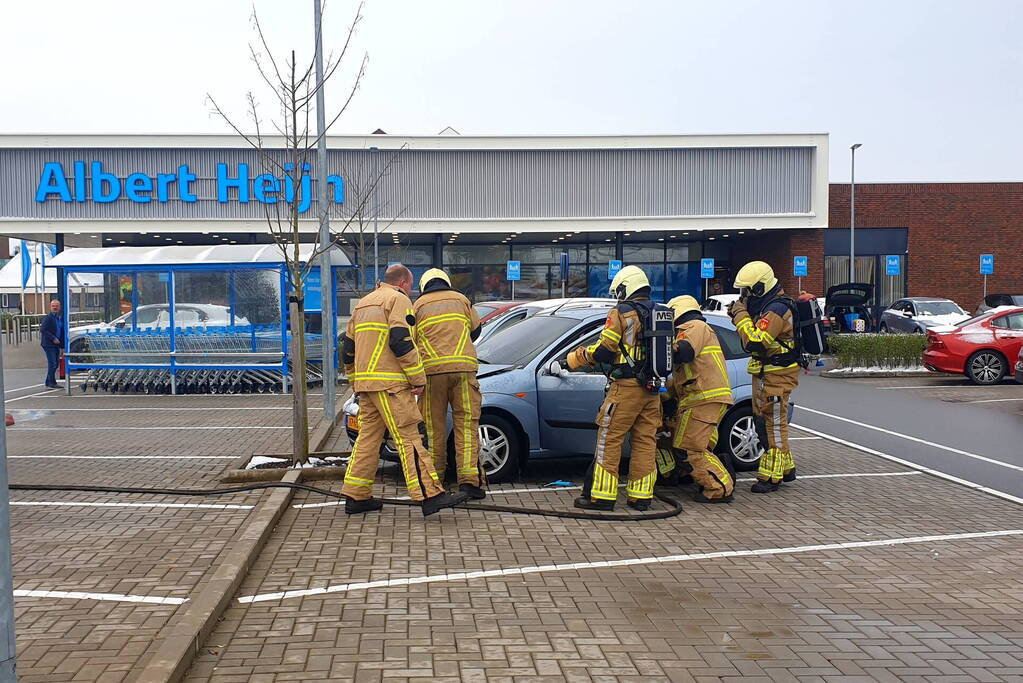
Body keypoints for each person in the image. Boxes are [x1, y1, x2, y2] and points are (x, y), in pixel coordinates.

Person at [339, 265, 469, 516]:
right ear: (402, 282)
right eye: (410, 285)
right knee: (410, 436)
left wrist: (355, 379)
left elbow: (347, 347)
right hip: (391, 385)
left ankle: (356, 495)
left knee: (367, 440)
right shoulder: (397, 300)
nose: (410, 290)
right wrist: (417, 378)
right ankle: (430, 494)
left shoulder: (364, 304)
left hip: (367, 385)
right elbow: (401, 340)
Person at [566, 265, 660, 511]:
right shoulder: (661, 312)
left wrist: (577, 358)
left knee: (609, 438)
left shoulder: (621, 313)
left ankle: (603, 497)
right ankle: (640, 497)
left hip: (626, 387)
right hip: (652, 389)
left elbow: (606, 349)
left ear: (625, 288)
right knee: (645, 441)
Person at [412, 268, 486, 499]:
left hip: (432, 373)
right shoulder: (462, 300)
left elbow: (411, 341)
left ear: (424, 285)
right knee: (467, 426)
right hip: (464, 372)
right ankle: (469, 482)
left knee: (433, 429)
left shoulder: (418, 306)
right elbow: (476, 331)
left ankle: (436, 482)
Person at [727, 261, 799, 493]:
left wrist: (740, 316)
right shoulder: (767, 306)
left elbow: (756, 342)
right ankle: (787, 468)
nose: (744, 296)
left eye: (747, 291)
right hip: (765, 373)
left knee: (774, 425)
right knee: (762, 422)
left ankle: (772, 477)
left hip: (777, 375)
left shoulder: (777, 310)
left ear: (760, 288)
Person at [658, 295, 734, 502]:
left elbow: (684, 352)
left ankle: (720, 488)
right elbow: (687, 375)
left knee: (689, 448)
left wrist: (659, 344)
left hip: (704, 399)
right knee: (687, 444)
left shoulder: (694, 327)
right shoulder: (693, 330)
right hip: (700, 399)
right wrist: (665, 394)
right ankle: (699, 476)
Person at [40, 299, 64, 389]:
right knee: (52, 363)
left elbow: (61, 331)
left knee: (56, 363)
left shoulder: (58, 318)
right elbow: (43, 330)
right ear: (50, 307)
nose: (55, 307)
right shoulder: (48, 318)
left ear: (59, 307)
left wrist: (62, 347)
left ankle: (48, 381)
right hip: (48, 344)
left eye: (56, 306)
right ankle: (52, 382)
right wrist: (53, 338)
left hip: (56, 344)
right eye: (53, 306)